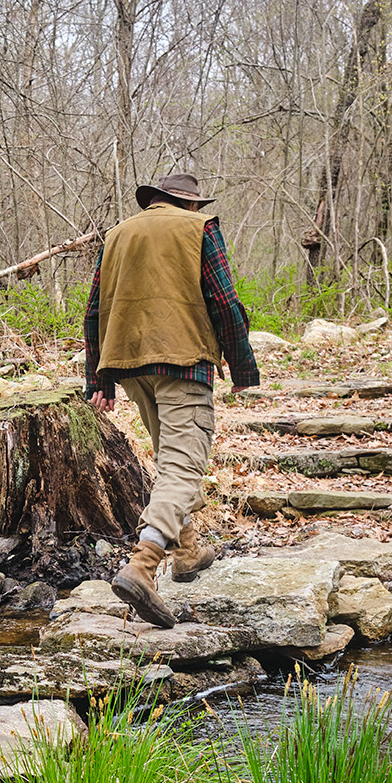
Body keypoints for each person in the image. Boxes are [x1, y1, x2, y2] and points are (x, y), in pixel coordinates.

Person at [82, 173, 260, 628]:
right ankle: (142, 566)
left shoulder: (118, 233)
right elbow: (224, 301)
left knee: (170, 461)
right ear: (189, 204)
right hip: (184, 361)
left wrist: (98, 379)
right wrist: (243, 369)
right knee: (183, 466)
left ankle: (188, 552)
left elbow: (95, 309)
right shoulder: (198, 229)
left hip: (128, 364)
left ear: (154, 201)